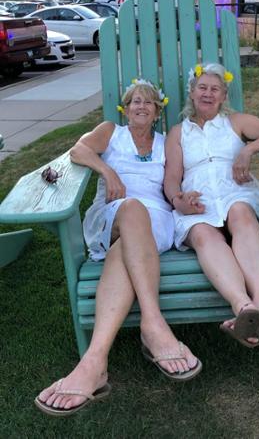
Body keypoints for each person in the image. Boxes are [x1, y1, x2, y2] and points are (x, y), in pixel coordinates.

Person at [35, 79, 202, 417]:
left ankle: (94, 362)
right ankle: (153, 324)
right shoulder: (111, 132)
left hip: (156, 225)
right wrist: (107, 171)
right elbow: (79, 150)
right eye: (135, 101)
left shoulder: (164, 142)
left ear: (157, 113)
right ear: (126, 109)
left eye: (149, 103)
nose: (141, 106)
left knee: (129, 238)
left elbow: (172, 184)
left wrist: (179, 200)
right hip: (112, 214)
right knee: (132, 208)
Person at [164, 63, 259, 348]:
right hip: (198, 200)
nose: (208, 94)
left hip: (234, 189)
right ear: (192, 92)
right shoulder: (178, 132)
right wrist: (179, 201)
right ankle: (244, 307)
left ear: (224, 95)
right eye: (202, 88)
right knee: (201, 233)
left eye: (215, 89)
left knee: (241, 214)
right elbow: (172, 178)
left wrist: (248, 149)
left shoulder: (236, 122)